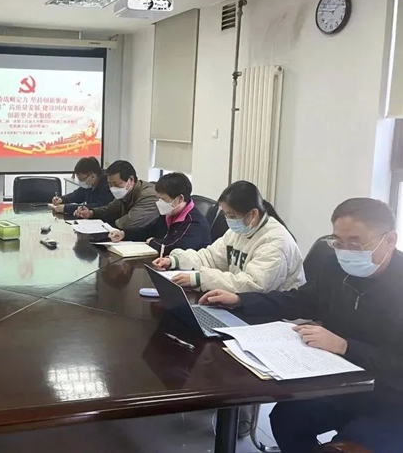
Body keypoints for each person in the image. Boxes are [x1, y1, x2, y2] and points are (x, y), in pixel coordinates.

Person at [200, 198, 403, 452]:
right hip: (344, 383)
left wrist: (345, 346)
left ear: (390, 240)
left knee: (347, 445)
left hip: (393, 400)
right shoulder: (335, 267)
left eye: (355, 243)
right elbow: (300, 301)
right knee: (286, 419)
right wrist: (241, 299)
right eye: (338, 242)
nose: (345, 251)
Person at [153, 181, 304, 293]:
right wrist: (176, 260)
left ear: (253, 214)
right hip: (246, 305)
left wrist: (199, 278)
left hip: (280, 317)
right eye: (225, 214)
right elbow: (211, 257)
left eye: (232, 216)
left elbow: (252, 284)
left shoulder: (276, 242)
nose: (228, 220)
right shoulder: (240, 230)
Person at [109, 172, 211, 255]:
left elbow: (176, 249)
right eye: (159, 198)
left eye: (163, 199)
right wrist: (124, 234)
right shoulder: (169, 213)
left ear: (179, 199)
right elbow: (148, 231)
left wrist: (153, 242)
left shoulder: (194, 223)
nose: (159, 202)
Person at [75, 160, 158, 230]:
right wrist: (91, 213)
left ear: (131, 180)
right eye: (110, 184)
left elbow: (128, 223)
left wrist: (105, 226)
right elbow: (110, 209)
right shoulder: (126, 193)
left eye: (116, 184)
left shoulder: (149, 196)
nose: (113, 188)